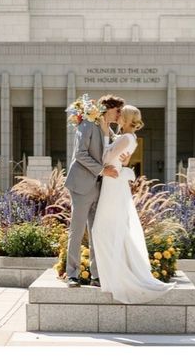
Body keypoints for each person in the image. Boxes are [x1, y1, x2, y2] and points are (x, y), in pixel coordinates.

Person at [91, 105, 176, 303]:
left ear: (127, 118)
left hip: (112, 184)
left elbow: (105, 158)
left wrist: (104, 144)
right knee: (112, 229)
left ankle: (118, 276)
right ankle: (115, 275)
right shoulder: (131, 138)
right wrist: (107, 135)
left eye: (121, 115)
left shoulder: (125, 138)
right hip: (113, 184)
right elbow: (120, 157)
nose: (118, 116)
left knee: (102, 229)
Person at [64, 94, 125, 288]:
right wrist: (102, 170)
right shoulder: (88, 124)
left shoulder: (113, 133)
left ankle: (96, 275)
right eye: (117, 111)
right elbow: (79, 154)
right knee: (77, 229)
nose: (119, 115)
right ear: (107, 108)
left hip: (101, 188)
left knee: (96, 232)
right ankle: (72, 274)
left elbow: (110, 155)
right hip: (82, 185)